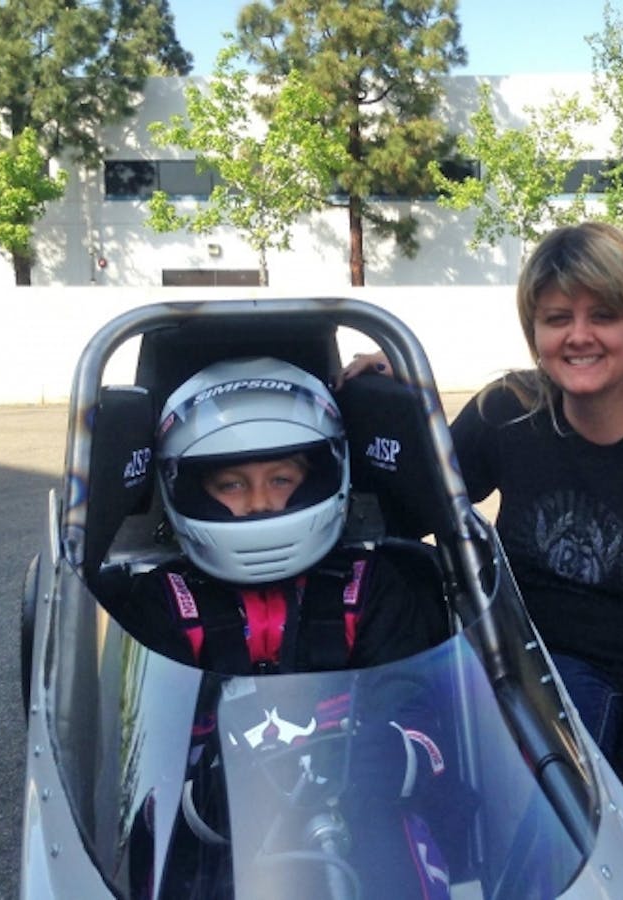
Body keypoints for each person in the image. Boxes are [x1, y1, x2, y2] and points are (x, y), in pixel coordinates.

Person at [344, 221, 623, 899]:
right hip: (545, 689)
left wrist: (607, 798)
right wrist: (391, 409)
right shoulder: (510, 412)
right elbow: (417, 509)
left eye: (604, 315)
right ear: (533, 327)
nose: (579, 336)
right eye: (557, 317)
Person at [123, 355, 456, 899]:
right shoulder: (165, 603)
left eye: (280, 480)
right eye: (231, 485)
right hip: (216, 842)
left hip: (359, 821)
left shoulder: (370, 587)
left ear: (322, 476)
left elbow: (432, 735)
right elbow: (134, 780)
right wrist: (204, 797)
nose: (259, 504)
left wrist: (390, 754)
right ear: (190, 488)